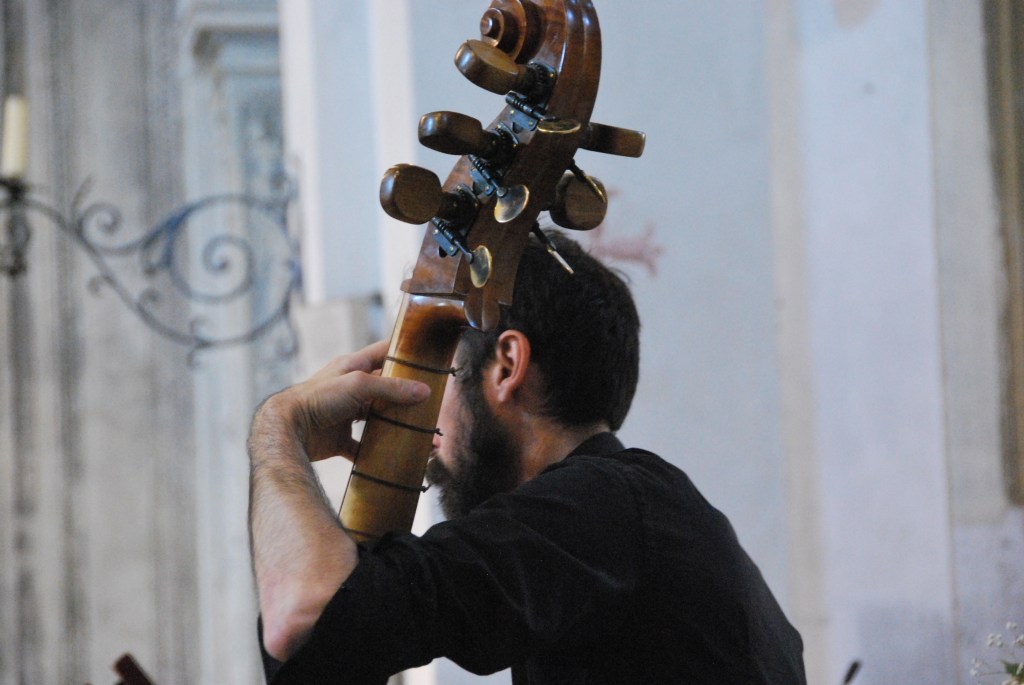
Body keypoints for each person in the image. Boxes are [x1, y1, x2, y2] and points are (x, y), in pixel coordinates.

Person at [248, 230, 807, 684]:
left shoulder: (601, 507)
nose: (419, 416)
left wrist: (280, 425)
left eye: (436, 368)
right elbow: (328, 646)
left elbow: (306, 616)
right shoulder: (628, 515)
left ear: (507, 366)